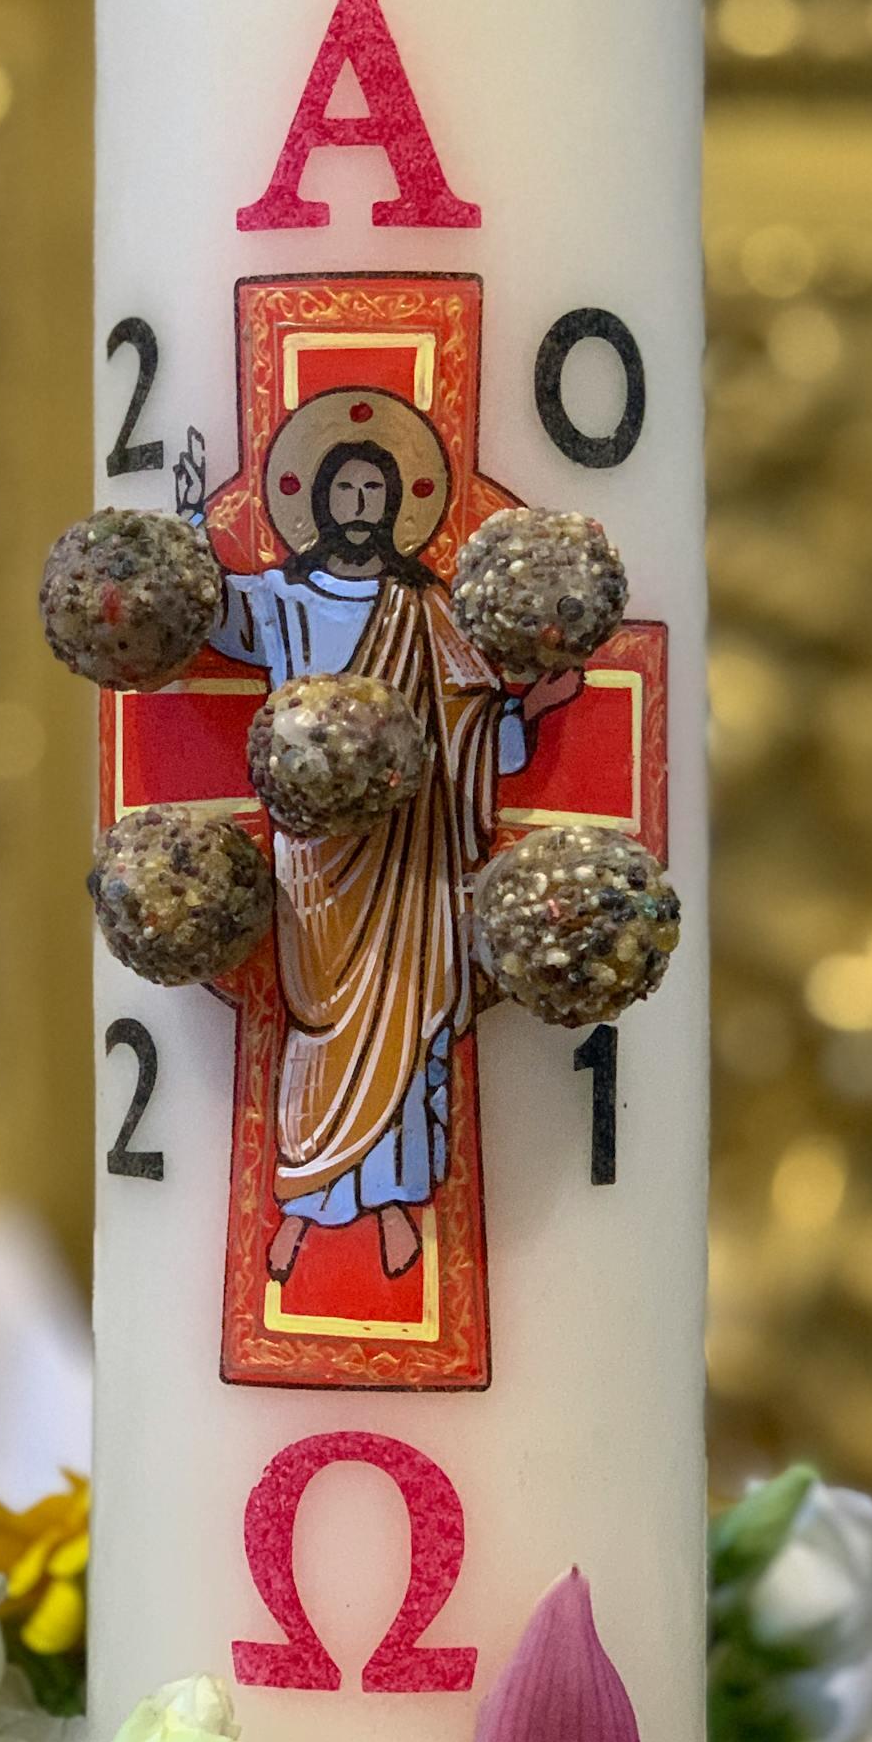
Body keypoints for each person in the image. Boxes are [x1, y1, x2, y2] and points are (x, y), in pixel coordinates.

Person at [176, 403, 575, 1283]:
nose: (358, 503)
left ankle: (397, 1201)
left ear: (396, 503)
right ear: (316, 501)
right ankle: (307, 1198)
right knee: (319, 1020)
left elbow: (467, 716)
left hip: (415, 848)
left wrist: (525, 714)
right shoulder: (283, 598)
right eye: (344, 488)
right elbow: (216, 615)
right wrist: (185, 535)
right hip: (315, 859)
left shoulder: (425, 606)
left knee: (416, 1012)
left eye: (373, 489)